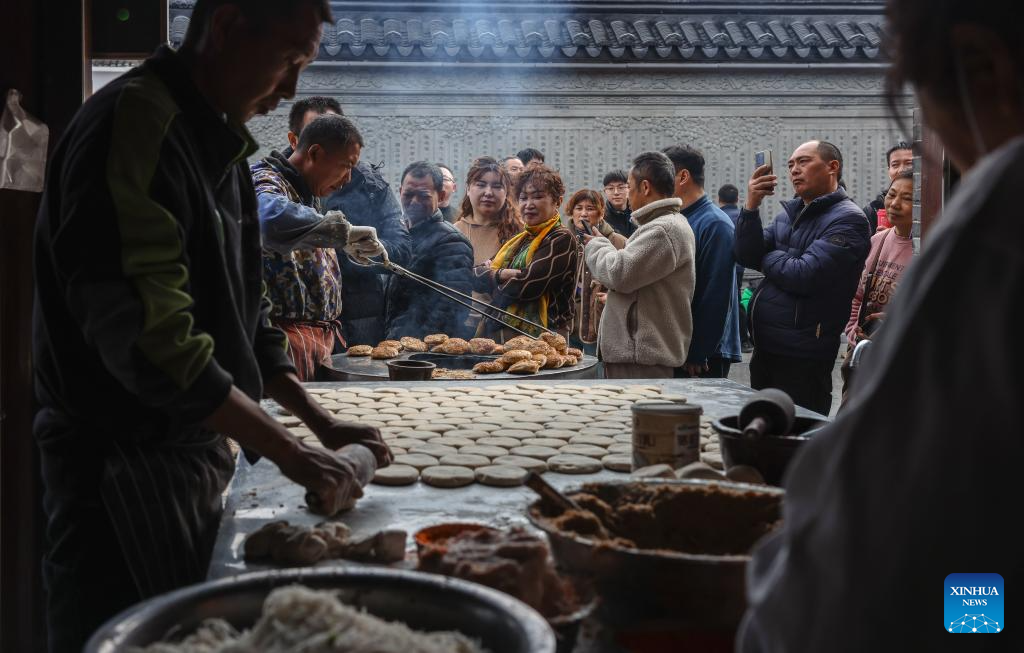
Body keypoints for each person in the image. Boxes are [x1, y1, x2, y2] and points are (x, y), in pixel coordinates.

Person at [31, 2, 391, 651]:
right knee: (127, 630)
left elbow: (245, 312)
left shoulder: (217, 143)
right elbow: (151, 339)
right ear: (227, 23)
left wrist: (319, 421)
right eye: (288, 61)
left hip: (192, 447)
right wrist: (289, 451)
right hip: (120, 464)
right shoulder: (137, 126)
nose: (287, 90)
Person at [739, 1, 1024, 649]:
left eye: (916, 100)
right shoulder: (799, 212)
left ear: (984, 69)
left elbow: (869, 547)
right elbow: (757, 256)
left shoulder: (999, 229)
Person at [734, 140, 871, 415]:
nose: (795, 170)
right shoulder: (791, 213)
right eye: (790, 164)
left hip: (804, 352)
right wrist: (751, 207)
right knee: (763, 429)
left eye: (804, 161)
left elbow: (804, 275)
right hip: (767, 347)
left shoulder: (849, 220)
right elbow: (745, 254)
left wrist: (766, 256)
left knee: (799, 433)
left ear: (833, 167)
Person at [253, 114, 383, 380]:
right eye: (346, 166)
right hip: (283, 341)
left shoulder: (307, 192)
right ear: (314, 153)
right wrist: (343, 233)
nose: (347, 179)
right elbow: (269, 216)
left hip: (317, 340)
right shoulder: (266, 179)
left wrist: (344, 247)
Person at [586, 152, 696, 379]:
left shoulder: (663, 230)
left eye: (628, 186)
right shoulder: (664, 224)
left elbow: (619, 273)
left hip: (640, 357)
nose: (626, 194)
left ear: (645, 188)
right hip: (637, 355)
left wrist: (596, 245)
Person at [317, 119, 410, 348]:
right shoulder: (285, 182)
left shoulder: (371, 185)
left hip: (362, 311)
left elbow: (401, 248)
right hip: (309, 315)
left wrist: (364, 250)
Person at [472, 163, 581, 340]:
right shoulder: (519, 240)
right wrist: (502, 274)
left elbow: (527, 286)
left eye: (537, 197)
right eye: (523, 198)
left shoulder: (560, 238)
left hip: (546, 336)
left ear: (557, 201)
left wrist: (492, 277)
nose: (529, 204)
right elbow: (473, 276)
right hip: (502, 331)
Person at [664, 145, 742, 378]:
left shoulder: (715, 224)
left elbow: (716, 294)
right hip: (681, 344)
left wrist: (699, 351)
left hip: (704, 355)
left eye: (664, 174)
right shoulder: (680, 217)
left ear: (683, 176)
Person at [838, 170, 915, 405]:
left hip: (900, 358)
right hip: (864, 353)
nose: (895, 203)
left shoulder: (926, 247)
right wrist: (853, 332)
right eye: (891, 194)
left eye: (908, 199)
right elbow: (857, 294)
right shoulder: (876, 241)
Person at [384, 162, 473, 339]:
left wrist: (409, 341)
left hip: (424, 350)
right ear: (400, 191)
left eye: (423, 196)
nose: (414, 202)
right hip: (394, 342)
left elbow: (450, 308)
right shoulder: (399, 236)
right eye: (408, 194)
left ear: (440, 196)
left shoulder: (452, 242)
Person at [454, 156, 523, 333]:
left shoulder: (520, 234)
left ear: (507, 192)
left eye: (497, 186)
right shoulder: (452, 232)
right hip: (458, 327)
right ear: (468, 189)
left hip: (502, 327)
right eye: (481, 184)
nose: (488, 192)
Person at [564, 189, 626, 354]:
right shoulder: (562, 239)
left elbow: (628, 279)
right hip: (567, 322)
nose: (583, 214)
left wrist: (614, 297)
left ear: (601, 213)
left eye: (590, 208)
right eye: (578, 208)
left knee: (597, 374)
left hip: (598, 321)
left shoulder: (617, 242)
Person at [719, 182, 753, 352]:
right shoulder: (742, 216)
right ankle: (744, 340)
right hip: (739, 266)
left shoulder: (717, 217)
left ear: (719, 200)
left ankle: (732, 339)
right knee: (737, 299)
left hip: (721, 266)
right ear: (737, 199)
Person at [862, 141, 914, 232]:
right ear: (889, 170)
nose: (901, 170)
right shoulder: (874, 209)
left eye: (909, 163)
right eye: (895, 165)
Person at [601, 169, 635, 238]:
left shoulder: (638, 211)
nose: (616, 192)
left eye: (621, 187)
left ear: (629, 188)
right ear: (605, 191)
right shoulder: (601, 216)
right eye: (611, 188)